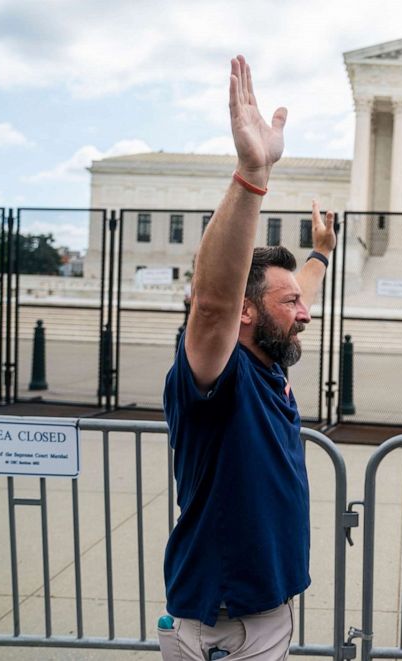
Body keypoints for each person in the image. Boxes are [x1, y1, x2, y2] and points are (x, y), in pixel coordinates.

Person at [156, 55, 336, 661]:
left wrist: (319, 258)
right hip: (226, 623)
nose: (305, 313)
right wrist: (252, 176)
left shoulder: (270, 358)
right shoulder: (220, 372)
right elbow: (212, 303)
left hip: (260, 615)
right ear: (247, 314)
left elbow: (294, 295)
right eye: (289, 304)